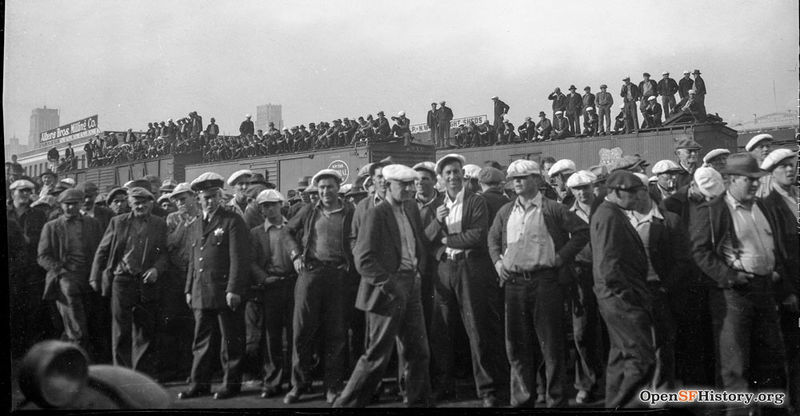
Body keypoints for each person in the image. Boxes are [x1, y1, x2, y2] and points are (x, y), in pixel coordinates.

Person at [690, 153, 792, 416]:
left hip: (765, 291)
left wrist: (777, 273)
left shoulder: (762, 207)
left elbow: (775, 245)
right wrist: (730, 276)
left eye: (757, 180)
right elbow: (700, 253)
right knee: (735, 364)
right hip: (733, 295)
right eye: (749, 180)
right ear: (732, 180)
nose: (755, 184)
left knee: (770, 357)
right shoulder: (713, 211)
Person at [488, 159, 589, 408]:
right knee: (517, 347)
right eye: (514, 179)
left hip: (545, 282)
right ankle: (523, 400)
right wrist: (498, 263)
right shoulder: (506, 211)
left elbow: (582, 232)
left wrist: (561, 257)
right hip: (513, 285)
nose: (517, 182)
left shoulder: (552, 208)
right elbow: (492, 238)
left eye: (523, 177)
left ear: (536, 180)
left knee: (551, 346)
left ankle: (555, 400)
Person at [334, 164, 432, 408]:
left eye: (412, 184)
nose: (410, 189)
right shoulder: (375, 214)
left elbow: (417, 243)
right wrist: (391, 285)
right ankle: (346, 404)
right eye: (403, 185)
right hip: (387, 290)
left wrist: (417, 272)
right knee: (377, 356)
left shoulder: (410, 208)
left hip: (411, 286)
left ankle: (416, 402)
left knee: (418, 351)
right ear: (387, 186)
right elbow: (363, 260)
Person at [428, 154, 507, 408]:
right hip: (445, 269)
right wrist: (437, 224)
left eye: (456, 172)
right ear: (441, 178)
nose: (452, 177)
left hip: (469, 268)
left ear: (463, 175)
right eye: (448, 173)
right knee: (442, 330)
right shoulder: (436, 206)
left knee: (477, 329)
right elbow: (425, 237)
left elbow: (477, 235)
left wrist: (446, 240)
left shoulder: (476, 201)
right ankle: (443, 386)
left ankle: (487, 390)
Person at [283, 169, 355, 404]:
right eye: (321, 187)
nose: (325, 191)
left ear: (338, 188)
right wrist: (295, 256)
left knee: (336, 333)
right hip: (310, 273)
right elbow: (287, 232)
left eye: (330, 186)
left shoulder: (350, 211)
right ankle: (299, 385)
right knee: (302, 331)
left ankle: (332, 386)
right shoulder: (309, 210)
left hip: (338, 275)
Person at [179, 172, 251, 400]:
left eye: (213, 197)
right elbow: (193, 259)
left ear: (220, 196)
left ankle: (231, 384)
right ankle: (199, 384)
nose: (209, 201)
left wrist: (234, 289)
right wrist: (189, 288)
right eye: (205, 197)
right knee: (201, 341)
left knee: (230, 341)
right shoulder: (197, 223)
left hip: (224, 291)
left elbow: (239, 258)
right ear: (198, 199)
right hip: (201, 290)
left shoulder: (232, 220)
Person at [591, 170, 656, 408]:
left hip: (615, 298)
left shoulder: (611, 213)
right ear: (616, 192)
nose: (638, 199)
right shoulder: (609, 217)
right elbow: (608, 267)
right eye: (632, 193)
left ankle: (614, 405)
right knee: (641, 358)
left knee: (620, 358)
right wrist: (629, 298)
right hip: (621, 300)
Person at [89, 187, 167, 377]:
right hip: (122, 280)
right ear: (129, 203)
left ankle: (141, 374)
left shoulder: (159, 223)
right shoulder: (118, 222)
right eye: (136, 202)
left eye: (144, 202)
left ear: (151, 203)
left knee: (144, 329)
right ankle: (122, 375)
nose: (140, 206)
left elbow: (164, 253)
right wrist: (94, 275)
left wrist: (157, 269)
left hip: (146, 281)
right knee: (120, 329)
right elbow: (103, 250)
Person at [628, 173, 689, 392]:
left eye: (635, 191)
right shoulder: (623, 220)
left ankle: (662, 391)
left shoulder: (669, 220)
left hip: (658, 290)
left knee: (662, 344)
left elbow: (683, 260)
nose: (631, 197)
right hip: (631, 292)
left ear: (646, 191)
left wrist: (665, 287)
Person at [38, 189, 104, 356]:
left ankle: (61, 360)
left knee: (81, 325)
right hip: (65, 278)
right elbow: (43, 256)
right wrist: (60, 271)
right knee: (77, 327)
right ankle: (80, 365)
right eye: (67, 204)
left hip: (89, 277)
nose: (71, 208)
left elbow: (100, 250)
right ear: (61, 205)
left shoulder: (92, 223)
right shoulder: (52, 227)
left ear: (81, 204)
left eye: (75, 204)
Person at [760, 149, 800, 413]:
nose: (790, 170)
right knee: (793, 352)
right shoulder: (768, 206)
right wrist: (786, 291)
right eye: (783, 166)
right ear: (772, 172)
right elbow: (771, 252)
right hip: (791, 290)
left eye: (792, 165)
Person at [249, 189, 296, 399]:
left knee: (297, 334)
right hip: (271, 286)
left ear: (281, 205)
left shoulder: (293, 227)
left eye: (273, 204)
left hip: (293, 284)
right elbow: (250, 262)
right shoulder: (256, 233)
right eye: (265, 206)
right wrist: (263, 278)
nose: (269, 209)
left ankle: (297, 381)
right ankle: (272, 381)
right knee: (272, 336)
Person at [563, 171, 604, 404]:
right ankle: (586, 383)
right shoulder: (567, 213)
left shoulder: (607, 208)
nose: (582, 192)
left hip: (608, 274)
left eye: (586, 187)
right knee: (582, 331)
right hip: (581, 273)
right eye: (577, 189)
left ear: (593, 186)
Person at [10, 179, 54, 358]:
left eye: (29, 191)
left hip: (33, 270)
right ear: (13, 193)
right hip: (12, 270)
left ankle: (30, 351)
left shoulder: (38, 215)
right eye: (21, 191)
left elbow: (44, 241)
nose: (25, 195)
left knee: (33, 311)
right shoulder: (8, 213)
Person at [744, 133, 774, 198]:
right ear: (752, 152)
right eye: (761, 147)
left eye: (768, 146)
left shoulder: (777, 171)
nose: (766, 149)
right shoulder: (746, 174)